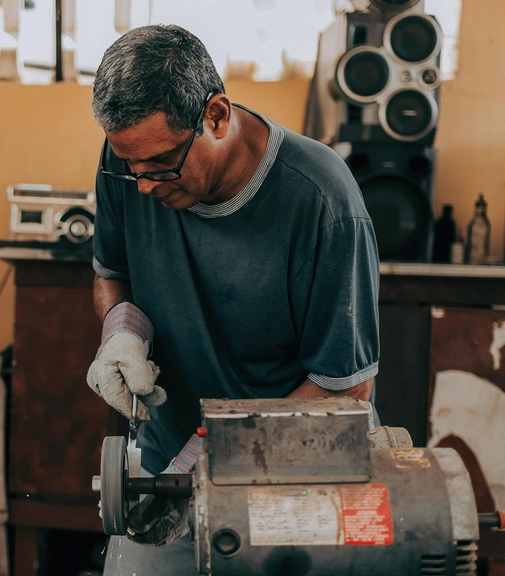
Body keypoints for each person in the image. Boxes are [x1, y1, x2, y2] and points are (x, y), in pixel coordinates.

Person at [86, 24, 380, 574]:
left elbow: (345, 390)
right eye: (131, 168)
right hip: (166, 470)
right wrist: (120, 331)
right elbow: (112, 273)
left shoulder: (323, 200)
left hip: (289, 481)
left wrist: (220, 453)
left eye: (160, 167)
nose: (143, 186)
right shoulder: (130, 160)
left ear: (216, 116)